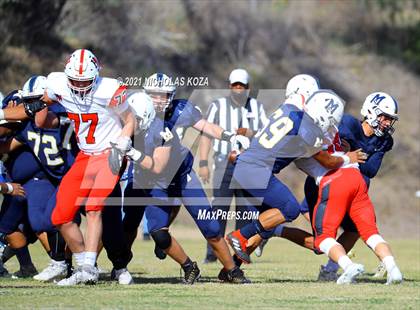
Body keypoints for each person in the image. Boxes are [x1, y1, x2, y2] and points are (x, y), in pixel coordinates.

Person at [34, 49, 135, 285]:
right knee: (60, 216)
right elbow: (44, 104)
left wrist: (123, 140)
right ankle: (84, 267)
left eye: (85, 81)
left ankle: (90, 267)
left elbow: (130, 119)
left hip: (110, 152)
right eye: (75, 81)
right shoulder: (57, 83)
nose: (80, 86)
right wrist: (35, 105)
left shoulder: (108, 90)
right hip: (85, 156)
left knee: (94, 207)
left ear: (96, 76)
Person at [199, 68, 268, 263]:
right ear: (229, 86)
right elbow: (206, 134)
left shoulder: (256, 107)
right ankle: (212, 253)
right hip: (223, 163)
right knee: (219, 210)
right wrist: (203, 162)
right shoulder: (218, 106)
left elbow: (265, 134)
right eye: (235, 85)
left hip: (248, 165)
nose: (238, 89)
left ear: (248, 88)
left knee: (245, 210)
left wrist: (249, 133)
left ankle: (240, 252)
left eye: (242, 86)